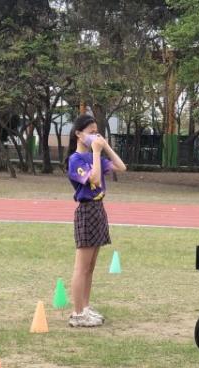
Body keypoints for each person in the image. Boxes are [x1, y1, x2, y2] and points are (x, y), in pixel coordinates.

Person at [65, 113, 127, 327]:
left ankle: (86, 307)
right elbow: (93, 178)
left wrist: (106, 147)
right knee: (81, 267)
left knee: (91, 267)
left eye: (96, 132)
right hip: (86, 210)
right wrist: (96, 152)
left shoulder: (96, 155)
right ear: (78, 134)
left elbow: (121, 166)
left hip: (99, 209)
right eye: (91, 132)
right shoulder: (75, 160)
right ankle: (77, 313)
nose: (94, 136)